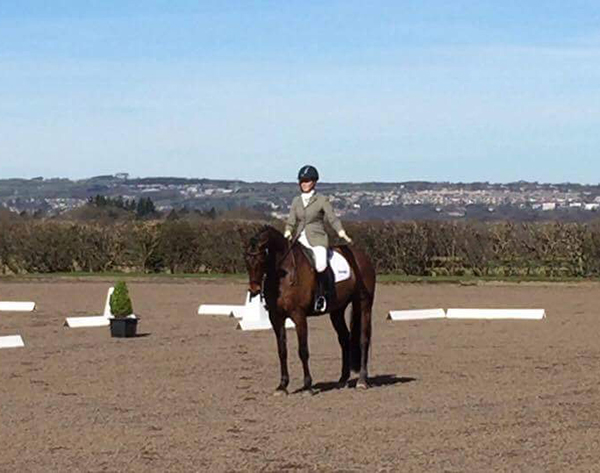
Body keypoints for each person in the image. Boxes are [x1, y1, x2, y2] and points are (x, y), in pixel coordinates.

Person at [284, 165, 352, 313]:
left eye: (307, 181)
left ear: (314, 182)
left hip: (317, 239)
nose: (304, 183)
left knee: (321, 264)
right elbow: (291, 221)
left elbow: (332, 218)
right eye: (302, 181)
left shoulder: (321, 200)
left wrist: (340, 231)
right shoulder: (296, 201)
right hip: (299, 239)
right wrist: (288, 231)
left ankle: (321, 296)